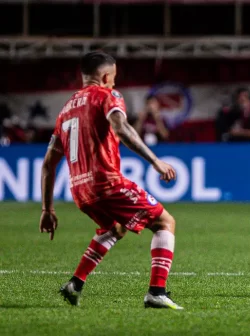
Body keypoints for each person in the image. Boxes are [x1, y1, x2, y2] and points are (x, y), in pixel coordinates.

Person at [39, 51, 183, 310]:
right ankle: (156, 292)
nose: (114, 83)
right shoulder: (108, 96)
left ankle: (75, 284)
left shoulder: (65, 111)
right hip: (106, 183)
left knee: (115, 228)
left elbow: (49, 164)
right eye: (113, 78)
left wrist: (47, 209)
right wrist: (155, 161)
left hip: (80, 191)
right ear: (106, 76)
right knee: (165, 222)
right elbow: (121, 128)